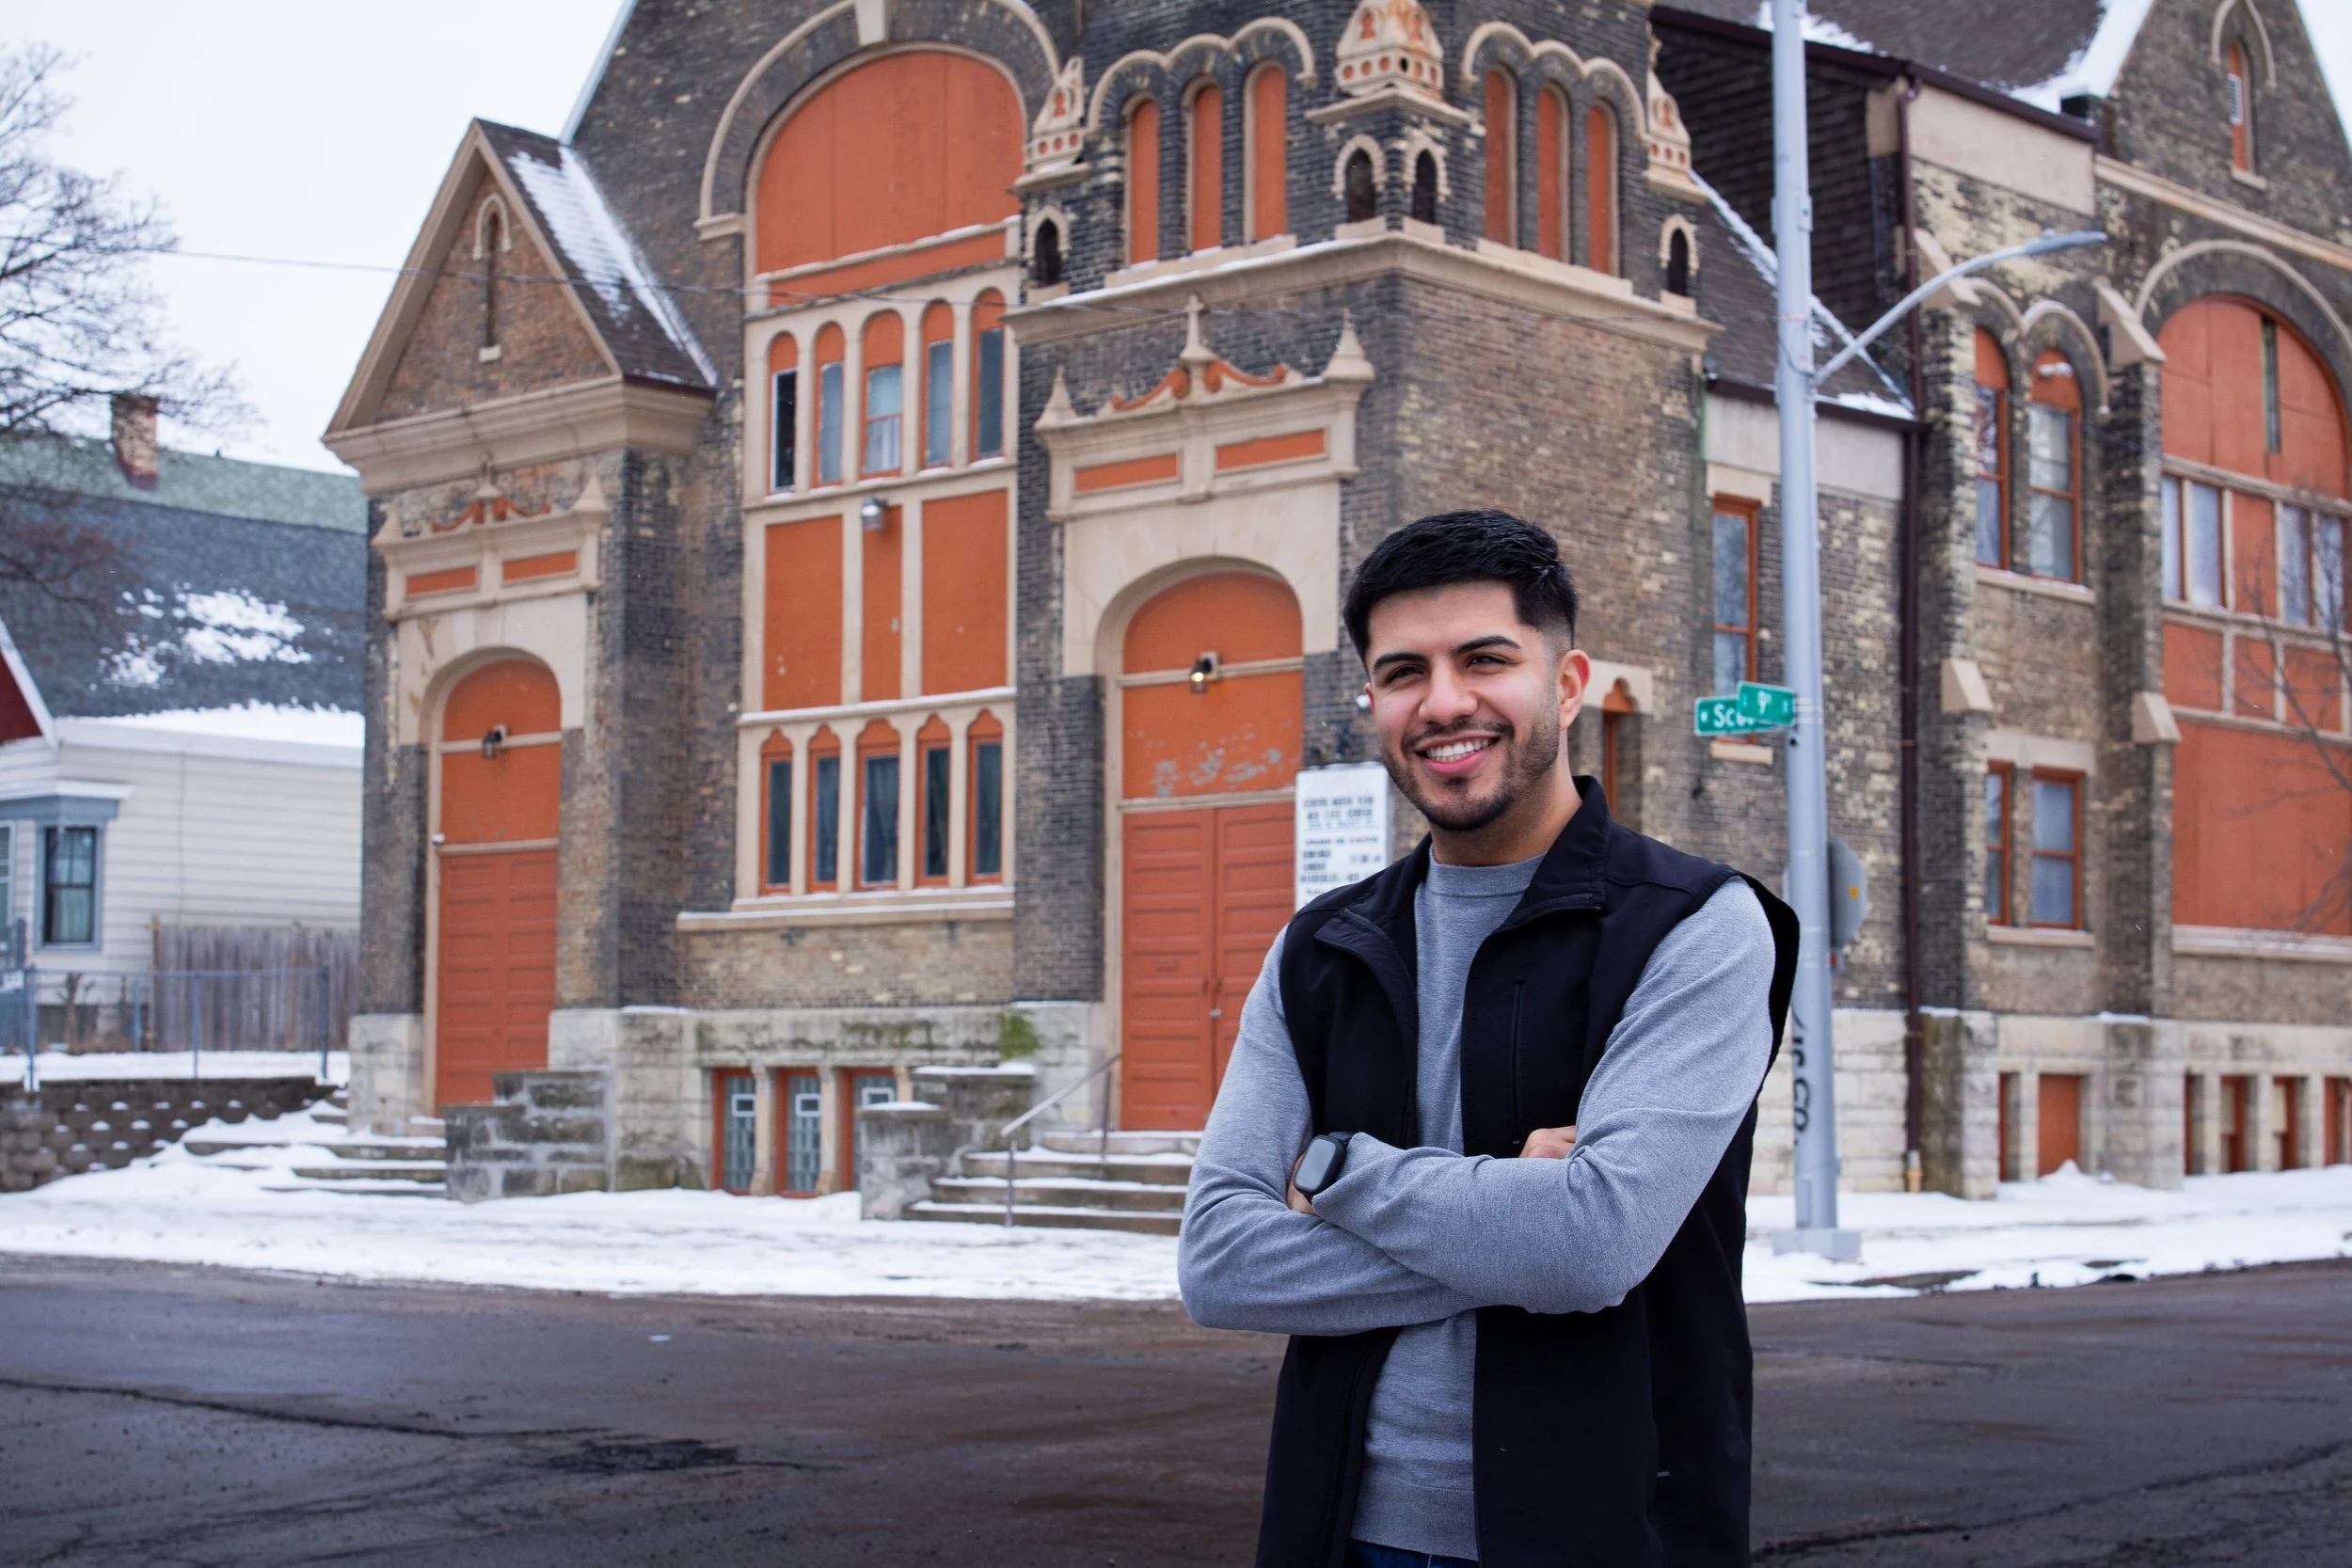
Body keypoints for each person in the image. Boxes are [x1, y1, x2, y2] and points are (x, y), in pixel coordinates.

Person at [1179, 510, 1798, 1568]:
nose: (1444, 701)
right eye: (1403, 670)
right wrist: (1512, 1211)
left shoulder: (1694, 927)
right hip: (1338, 1533)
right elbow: (1220, 1261)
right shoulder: (1320, 948)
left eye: (1484, 659)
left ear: (1567, 683)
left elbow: (1590, 1242)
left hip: (1601, 1534)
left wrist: (1334, 1168)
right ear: (1371, 699)